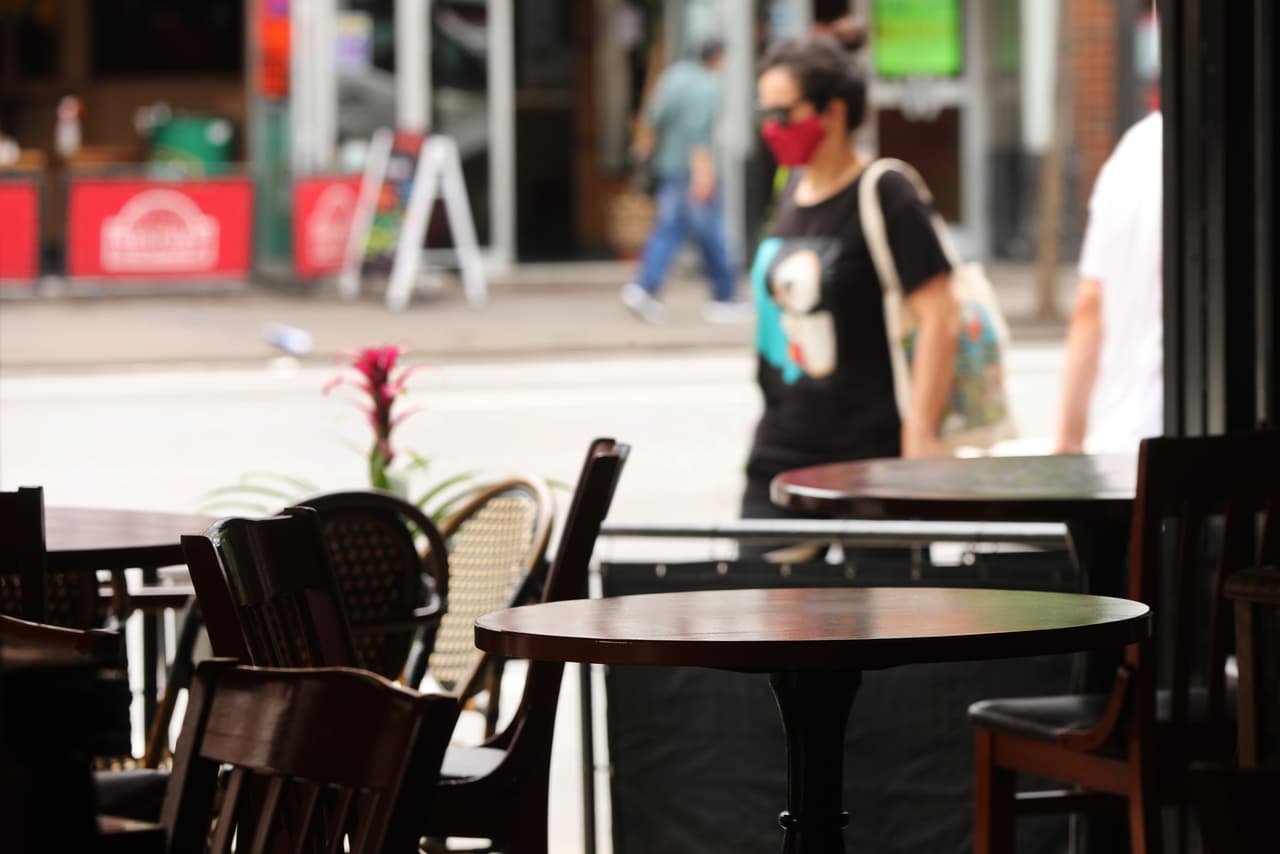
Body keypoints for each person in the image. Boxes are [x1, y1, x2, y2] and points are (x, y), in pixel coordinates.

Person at [742, 36, 959, 519]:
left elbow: (940, 315)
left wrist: (919, 433)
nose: (771, 128)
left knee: (880, 597)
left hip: (872, 457)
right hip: (782, 449)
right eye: (765, 113)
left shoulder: (886, 191)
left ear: (832, 112)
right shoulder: (791, 189)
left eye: (783, 114)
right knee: (759, 589)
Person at [1054, 111, 1163, 454]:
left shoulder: (1132, 151)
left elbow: (1089, 304)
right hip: (1206, 452)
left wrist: (1068, 442)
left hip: (1122, 439)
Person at [620, 38, 750, 325]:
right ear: (717, 57)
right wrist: (704, 174)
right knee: (711, 233)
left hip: (669, 165)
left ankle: (644, 288)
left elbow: (654, 116)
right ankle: (724, 297)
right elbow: (698, 133)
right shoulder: (708, 86)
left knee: (669, 230)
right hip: (695, 169)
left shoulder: (673, 76)